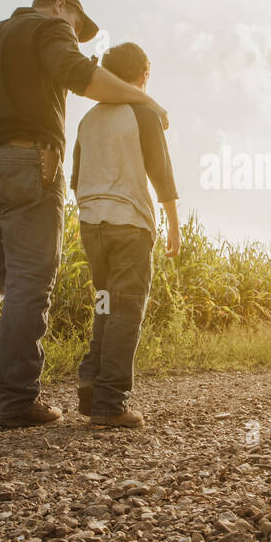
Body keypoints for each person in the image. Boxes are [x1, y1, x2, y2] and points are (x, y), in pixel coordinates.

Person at [0, 0, 169, 430]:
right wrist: (145, 99)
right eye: (77, 25)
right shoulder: (51, 26)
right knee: (30, 279)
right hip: (24, 161)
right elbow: (78, 74)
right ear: (61, 6)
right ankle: (15, 400)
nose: (74, 35)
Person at [71, 42, 179, 428]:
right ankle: (110, 402)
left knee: (104, 301)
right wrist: (174, 226)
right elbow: (161, 173)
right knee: (126, 309)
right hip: (129, 226)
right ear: (144, 76)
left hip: (91, 225)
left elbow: (75, 179)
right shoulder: (143, 112)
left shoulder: (88, 120)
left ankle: (91, 372)